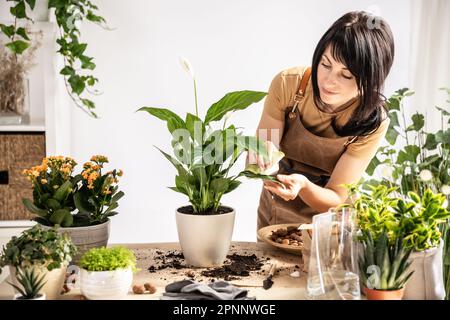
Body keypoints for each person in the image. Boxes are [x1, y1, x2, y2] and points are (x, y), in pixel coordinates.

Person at [249, 11, 394, 230]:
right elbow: (262, 146)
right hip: (275, 212)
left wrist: (304, 186)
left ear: (370, 79)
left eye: (345, 75)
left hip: (330, 223)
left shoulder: (372, 121)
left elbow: (336, 195)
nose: (328, 81)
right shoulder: (289, 85)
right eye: (325, 65)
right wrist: (261, 154)